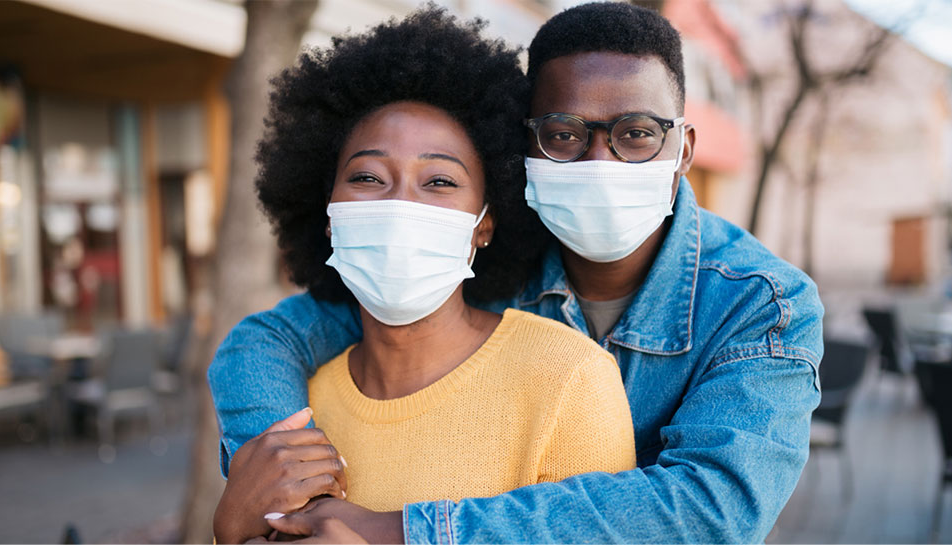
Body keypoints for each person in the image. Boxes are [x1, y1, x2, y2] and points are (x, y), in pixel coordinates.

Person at [210, 2, 824, 543]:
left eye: (637, 135)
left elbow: (711, 509)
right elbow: (274, 338)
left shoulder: (763, 303)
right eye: (565, 134)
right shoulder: (465, 264)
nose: (600, 161)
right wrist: (279, 483)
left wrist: (401, 530)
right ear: (525, 148)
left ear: (684, 149)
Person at [211, 7, 636, 543]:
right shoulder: (297, 410)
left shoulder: (569, 381)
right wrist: (227, 531)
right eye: (367, 176)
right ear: (328, 212)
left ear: (485, 222)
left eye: (438, 181)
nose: (400, 203)